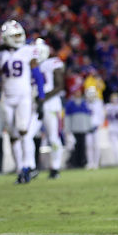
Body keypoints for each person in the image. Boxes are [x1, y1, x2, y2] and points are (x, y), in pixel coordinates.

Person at [0, 20, 45, 184]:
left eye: (20, 34)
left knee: (23, 131)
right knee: (13, 136)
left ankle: (27, 167)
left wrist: (40, 98)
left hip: (24, 97)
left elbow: (38, 76)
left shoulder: (28, 51)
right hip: (7, 98)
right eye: (15, 35)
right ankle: (20, 169)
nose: (19, 38)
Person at [35, 39, 66, 178]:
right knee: (28, 136)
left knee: (53, 138)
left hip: (51, 104)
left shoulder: (52, 63)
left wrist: (43, 97)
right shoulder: (30, 64)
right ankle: (29, 166)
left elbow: (59, 85)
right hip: (34, 105)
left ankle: (55, 168)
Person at [64, 86, 92, 168]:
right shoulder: (70, 104)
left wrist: (88, 127)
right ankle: (74, 162)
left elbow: (87, 116)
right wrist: (67, 129)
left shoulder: (84, 103)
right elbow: (67, 118)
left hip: (83, 128)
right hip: (74, 128)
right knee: (74, 147)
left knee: (82, 146)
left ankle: (82, 162)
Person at [85, 86, 105, 169]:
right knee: (88, 145)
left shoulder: (99, 102)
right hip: (87, 127)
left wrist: (99, 124)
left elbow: (101, 115)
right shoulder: (85, 103)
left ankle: (96, 163)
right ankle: (90, 162)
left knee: (96, 145)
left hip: (96, 126)